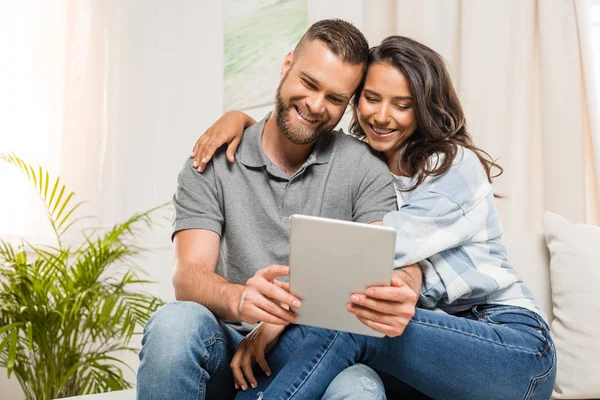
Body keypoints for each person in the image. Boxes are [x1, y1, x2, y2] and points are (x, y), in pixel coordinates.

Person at [190, 35, 557, 399]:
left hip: (510, 345)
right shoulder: (367, 168)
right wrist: (242, 121)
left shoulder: (451, 166)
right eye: (371, 98)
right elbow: (289, 135)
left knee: (352, 317)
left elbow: (364, 258)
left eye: (402, 105)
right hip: (421, 350)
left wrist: (274, 316)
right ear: (354, 99)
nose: (381, 116)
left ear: (425, 108)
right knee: (341, 333)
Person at [136, 20, 424, 400]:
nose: (316, 105)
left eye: (335, 99)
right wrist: (241, 298)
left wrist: (406, 284)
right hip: (224, 345)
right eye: (308, 83)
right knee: (174, 324)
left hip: (310, 350)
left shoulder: (363, 168)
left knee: (359, 388)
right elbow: (188, 276)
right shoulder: (212, 161)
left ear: (348, 105)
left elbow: (394, 261)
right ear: (287, 65)